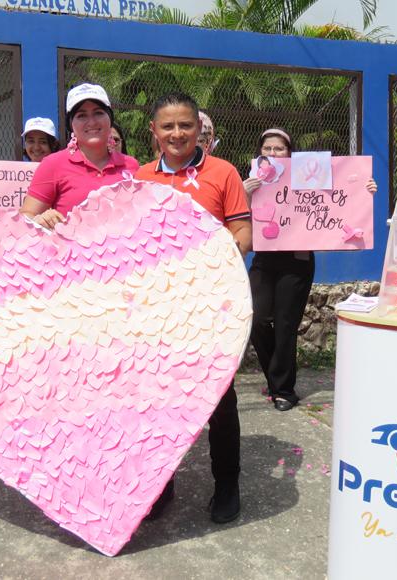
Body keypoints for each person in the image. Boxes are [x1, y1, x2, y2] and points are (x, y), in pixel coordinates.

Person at [134, 92, 252, 524]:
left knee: (219, 400)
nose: (177, 134)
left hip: (210, 309)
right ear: (155, 131)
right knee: (157, 401)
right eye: (168, 126)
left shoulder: (223, 173)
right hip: (157, 313)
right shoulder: (141, 177)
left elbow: (242, 233)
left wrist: (210, 268)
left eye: (185, 125)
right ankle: (158, 489)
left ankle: (226, 484)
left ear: (198, 128)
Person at [242, 128, 376, 412]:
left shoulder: (307, 178)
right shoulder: (254, 181)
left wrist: (364, 189)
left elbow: (343, 196)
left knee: (286, 326)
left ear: (291, 154)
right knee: (255, 319)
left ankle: (284, 390)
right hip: (265, 259)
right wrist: (245, 192)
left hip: (298, 260)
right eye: (267, 149)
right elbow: (238, 216)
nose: (273, 154)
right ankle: (275, 378)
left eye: (279, 149)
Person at [19, 83, 139, 229]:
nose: (92, 122)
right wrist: (40, 220)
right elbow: (25, 217)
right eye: (82, 115)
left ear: (110, 119)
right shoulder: (52, 164)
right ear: (71, 125)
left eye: (98, 112)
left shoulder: (131, 165)